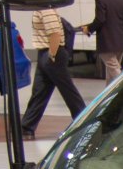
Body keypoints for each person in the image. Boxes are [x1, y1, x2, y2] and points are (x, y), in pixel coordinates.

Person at [20, 9, 87, 140]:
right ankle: (27, 127)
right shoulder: (42, 8)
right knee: (40, 91)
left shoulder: (46, 10)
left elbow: (55, 34)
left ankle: (84, 120)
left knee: (68, 91)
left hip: (52, 54)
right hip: (45, 53)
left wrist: (52, 54)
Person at [82, 0, 123, 84]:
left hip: (107, 42)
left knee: (115, 70)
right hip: (119, 41)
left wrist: (89, 29)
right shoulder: (120, 0)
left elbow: (100, 19)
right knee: (111, 72)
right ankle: (109, 97)